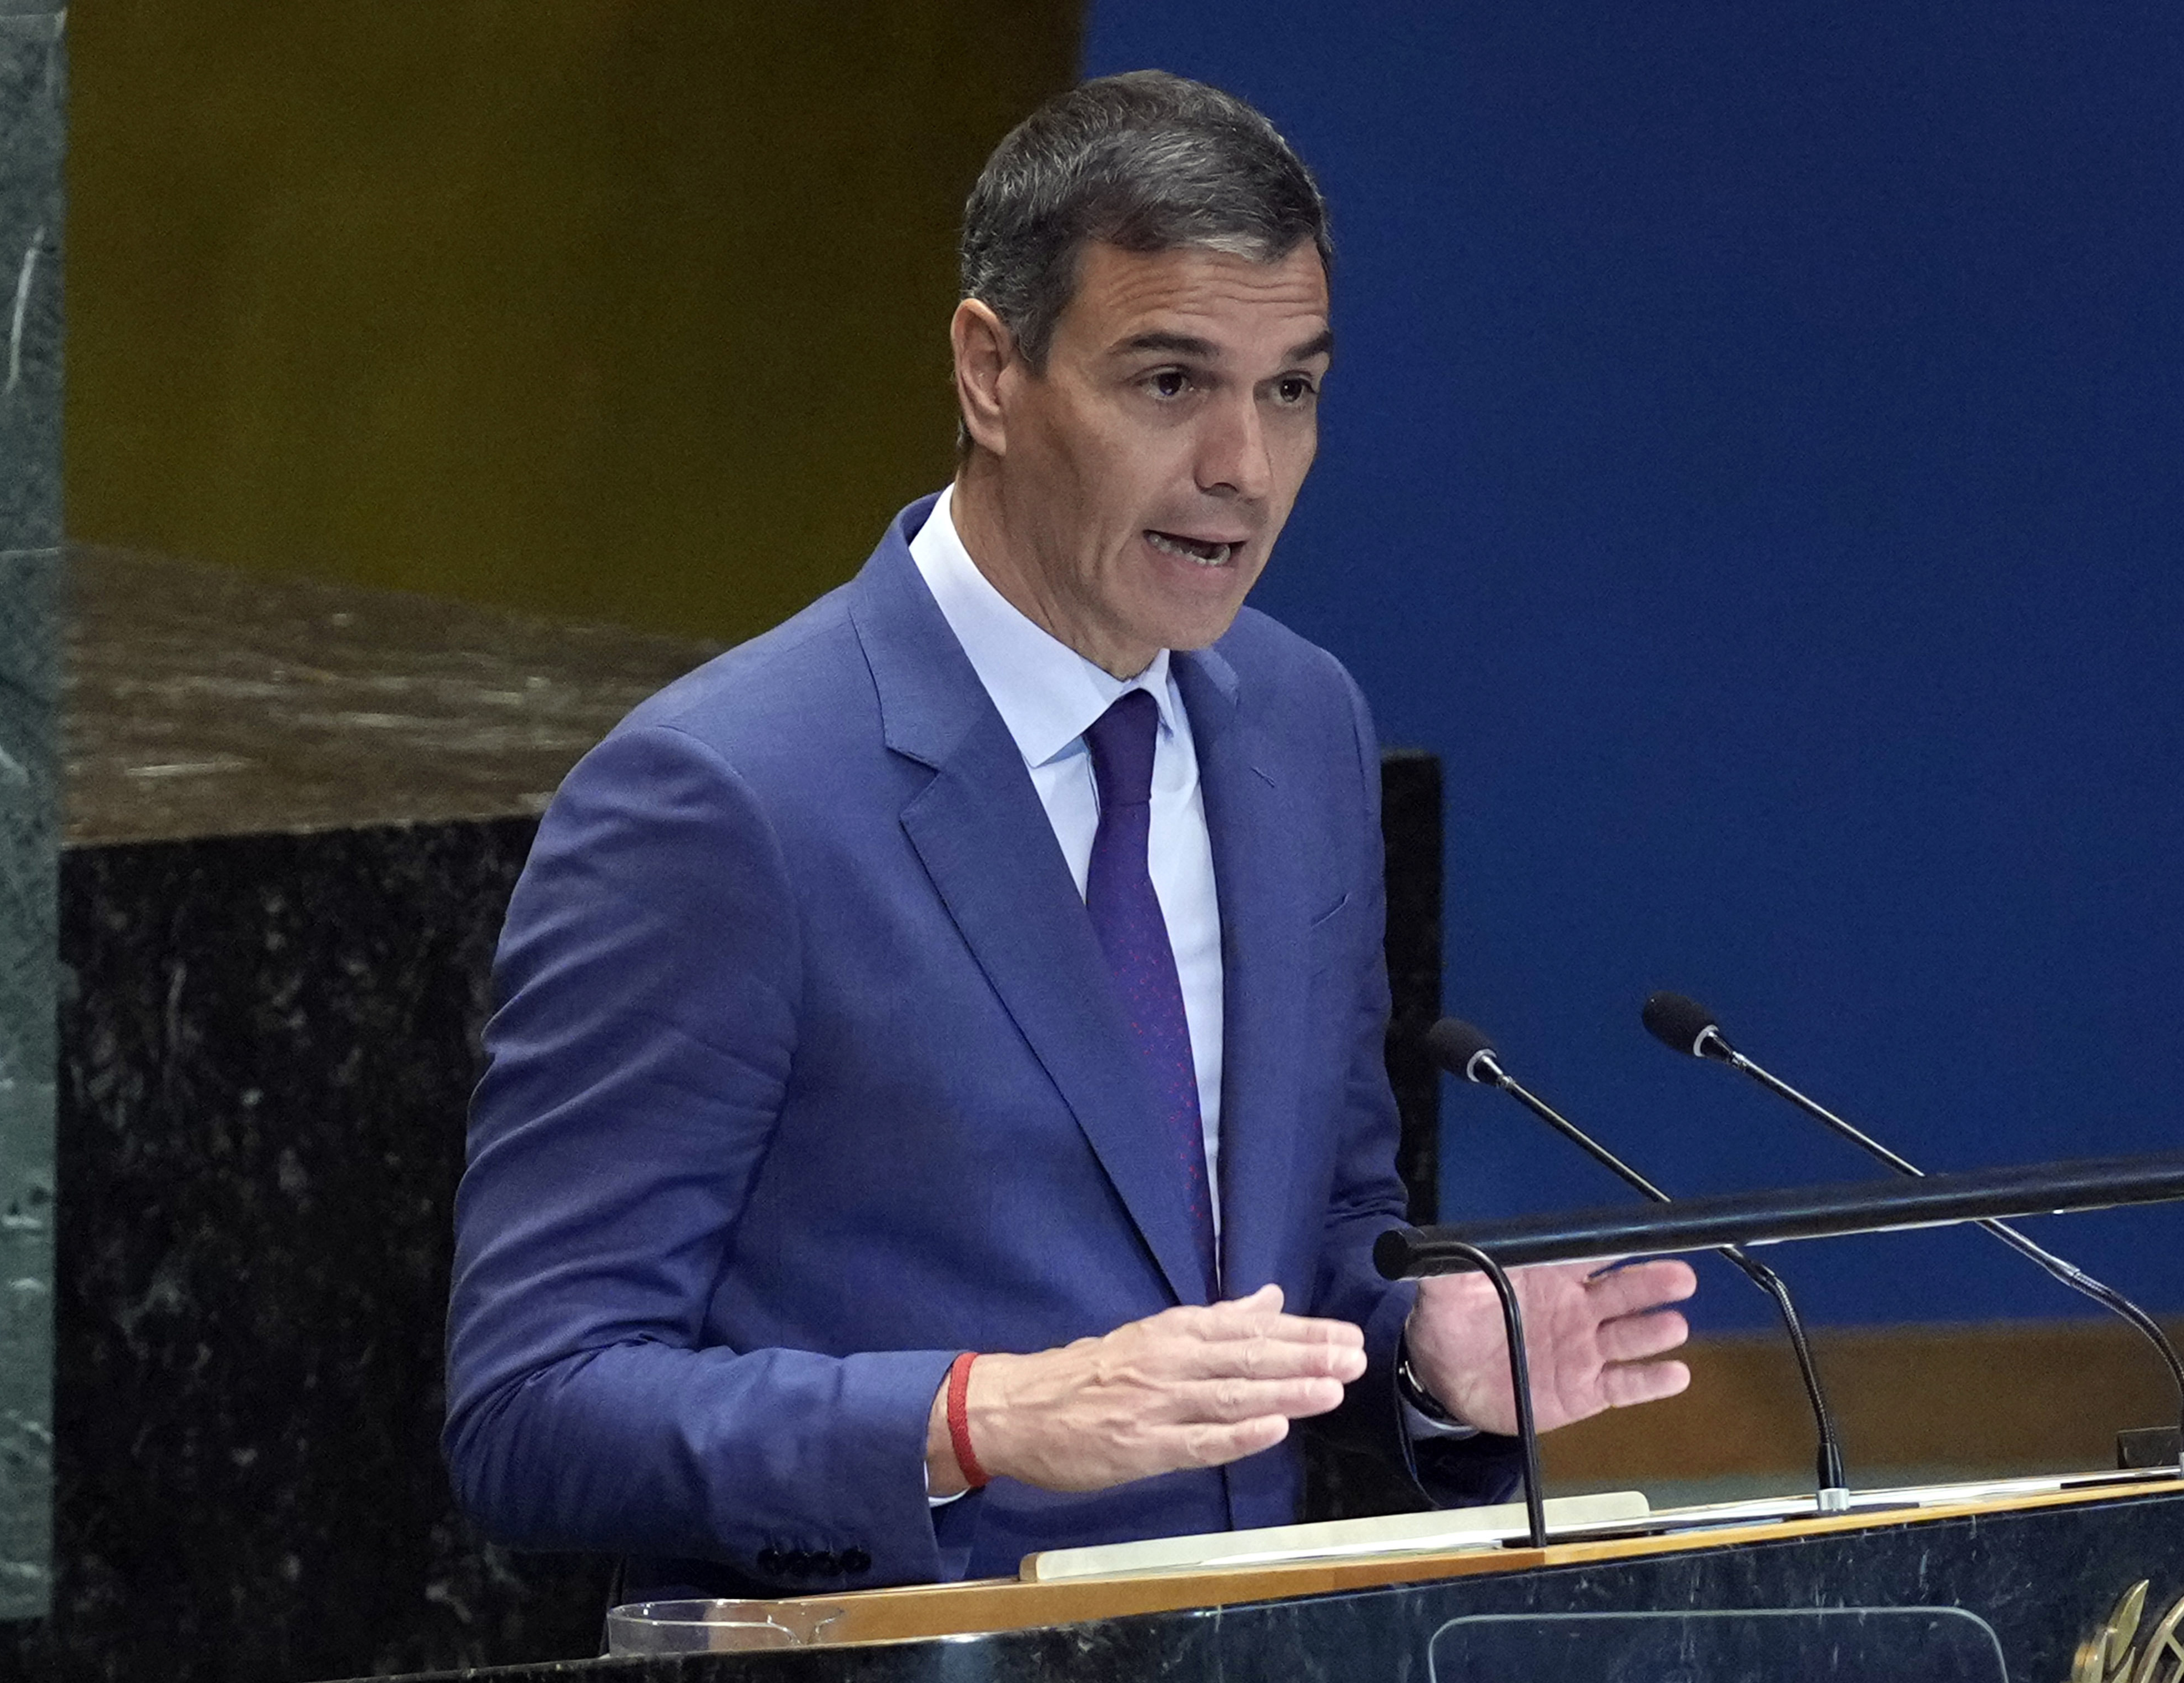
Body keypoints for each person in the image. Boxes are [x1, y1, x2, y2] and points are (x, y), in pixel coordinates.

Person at [445, 71, 1695, 1592]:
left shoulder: (1302, 725)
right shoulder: (722, 801)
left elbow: (1325, 1231)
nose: (1242, 464)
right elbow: (534, 1408)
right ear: (990, 370)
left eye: (1290, 388)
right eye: (1170, 382)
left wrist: (1426, 1355)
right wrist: (978, 1415)